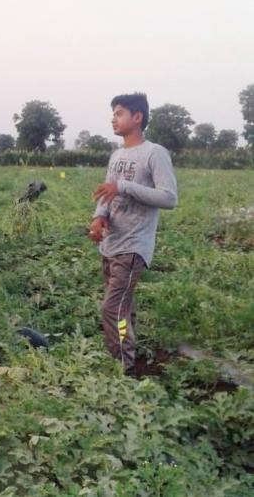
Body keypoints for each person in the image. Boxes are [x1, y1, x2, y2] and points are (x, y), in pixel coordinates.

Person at [88, 93, 177, 375]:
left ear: (137, 118)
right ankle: (128, 351)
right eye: (113, 113)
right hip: (111, 244)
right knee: (123, 309)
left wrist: (124, 187)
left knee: (113, 309)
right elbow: (107, 193)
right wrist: (98, 218)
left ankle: (123, 366)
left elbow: (169, 197)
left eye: (119, 113)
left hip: (133, 246)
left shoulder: (154, 153)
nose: (113, 118)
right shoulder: (117, 155)